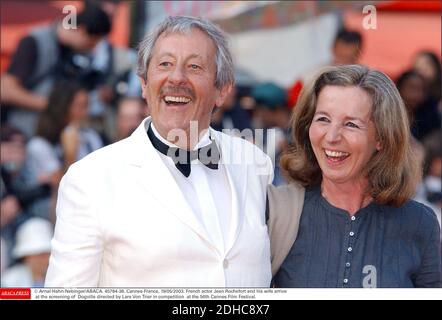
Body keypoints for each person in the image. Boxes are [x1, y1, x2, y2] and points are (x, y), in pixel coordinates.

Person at [45, 16, 273, 287]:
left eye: (194, 66)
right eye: (165, 64)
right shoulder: (90, 180)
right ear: (143, 83)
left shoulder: (254, 163)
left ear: (222, 91)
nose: (176, 77)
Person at [269, 65, 441, 288]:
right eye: (322, 119)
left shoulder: (420, 223)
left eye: (351, 124)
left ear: (382, 137)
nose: (331, 137)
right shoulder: (277, 211)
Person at [0, 4, 111, 137]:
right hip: (21, 133)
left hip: (53, 135)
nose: (91, 48)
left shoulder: (78, 53)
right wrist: (52, 105)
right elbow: (5, 90)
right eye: (92, 43)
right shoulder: (34, 42)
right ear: (81, 31)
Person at [1, 217, 53, 288]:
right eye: (37, 255)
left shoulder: (62, 277)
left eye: (46, 254)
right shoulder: (9, 281)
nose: (42, 260)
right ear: (25, 256)